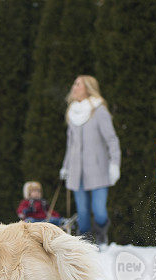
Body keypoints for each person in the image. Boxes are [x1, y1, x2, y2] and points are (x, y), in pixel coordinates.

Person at [59, 75, 121, 246]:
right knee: (83, 212)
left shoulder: (98, 110)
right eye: (74, 83)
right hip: (76, 171)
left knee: (99, 210)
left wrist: (114, 164)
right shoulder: (72, 112)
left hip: (98, 169)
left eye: (78, 84)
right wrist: (66, 167)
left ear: (88, 88)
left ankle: (101, 236)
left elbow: (112, 139)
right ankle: (85, 242)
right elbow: (70, 144)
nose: (74, 87)